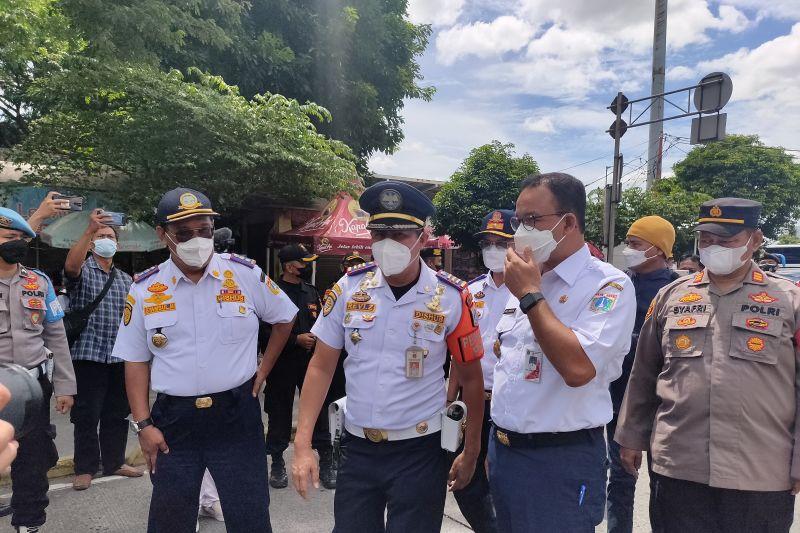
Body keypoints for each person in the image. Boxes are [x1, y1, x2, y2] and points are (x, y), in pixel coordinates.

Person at [292, 181, 486, 532]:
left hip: (421, 451)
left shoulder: (452, 297)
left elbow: (471, 378)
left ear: (423, 239)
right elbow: (320, 367)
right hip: (358, 449)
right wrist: (303, 444)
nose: (387, 245)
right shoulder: (348, 289)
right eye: (379, 234)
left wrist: (470, 450)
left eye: (399, 235)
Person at [111, 188, 297, 533]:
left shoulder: (244, 275)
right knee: (170, 517)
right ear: (163, 235)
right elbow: (135, 361)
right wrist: (144, 425)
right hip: (173, 421)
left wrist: (263, 369)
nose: (197, 240)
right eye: (184, 234)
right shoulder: (145, 289)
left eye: (205, 231)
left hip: (236, 414)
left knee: (250, 515)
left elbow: (285, 317)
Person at [616, 198, 800, 533]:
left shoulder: (789, 300)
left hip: (760, 472)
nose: (713, 247)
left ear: (755, 240)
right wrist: (631, 437)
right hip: (679, 466)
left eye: (726, 241)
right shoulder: (671, 296)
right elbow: (644, 373)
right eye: (706, 240)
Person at [489, 172, 636, 532]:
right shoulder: (525, 279)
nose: (520, 231)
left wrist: (531, 296)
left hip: (560, 460)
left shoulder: (607, 284)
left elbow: (578, 368)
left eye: (532, 220)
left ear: (569, 222)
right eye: (517, 220)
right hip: (506, 452)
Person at [0, 207, 76, 533]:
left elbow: (56, 336)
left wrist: (66, 386)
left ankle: (28, 523)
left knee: (32, 461)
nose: (15, 244)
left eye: (19, 239)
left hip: (33, 387)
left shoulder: (39, 282)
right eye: (7, 238)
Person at [607, 216, 678, 533]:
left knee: (666, 487)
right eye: (629, 242)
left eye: (636, 244)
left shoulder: (679, 292)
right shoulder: (616, 284)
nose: (628, 249)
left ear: (658, 248)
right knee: (620, 478)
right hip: (618, 401)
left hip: (666, 405)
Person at [446, 209, 515, 533]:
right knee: (463, 478)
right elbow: (460, 356)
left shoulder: (531, 291)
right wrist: (449, 399)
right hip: (474, 400)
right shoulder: (469, 292)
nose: (493, 249)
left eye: (502, 243)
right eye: (488, 242)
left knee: (504, 480)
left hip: (513, 402)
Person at [64, 208, 141, 491]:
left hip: (118, 356)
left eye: (110, 236)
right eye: (101, 236)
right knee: (87, 415)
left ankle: (114, 462)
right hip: (88, 355)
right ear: (93, 243)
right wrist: (88, 229)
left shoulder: (124, 279)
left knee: (117, 413)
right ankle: (85, 468)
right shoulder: (83, 270)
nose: (106, 240)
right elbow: (70, 269)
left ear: (117, 245)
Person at [264, 243, 337, 490]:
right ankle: (276, 461)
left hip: (310, 363)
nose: (307, 267)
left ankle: (326, 459)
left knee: (318, 410)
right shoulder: (272, 292)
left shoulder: (311, 291)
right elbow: (264, 332)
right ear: (289, 266)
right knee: (279, 410)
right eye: (303, 263)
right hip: (282, 364)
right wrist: (296, 339)